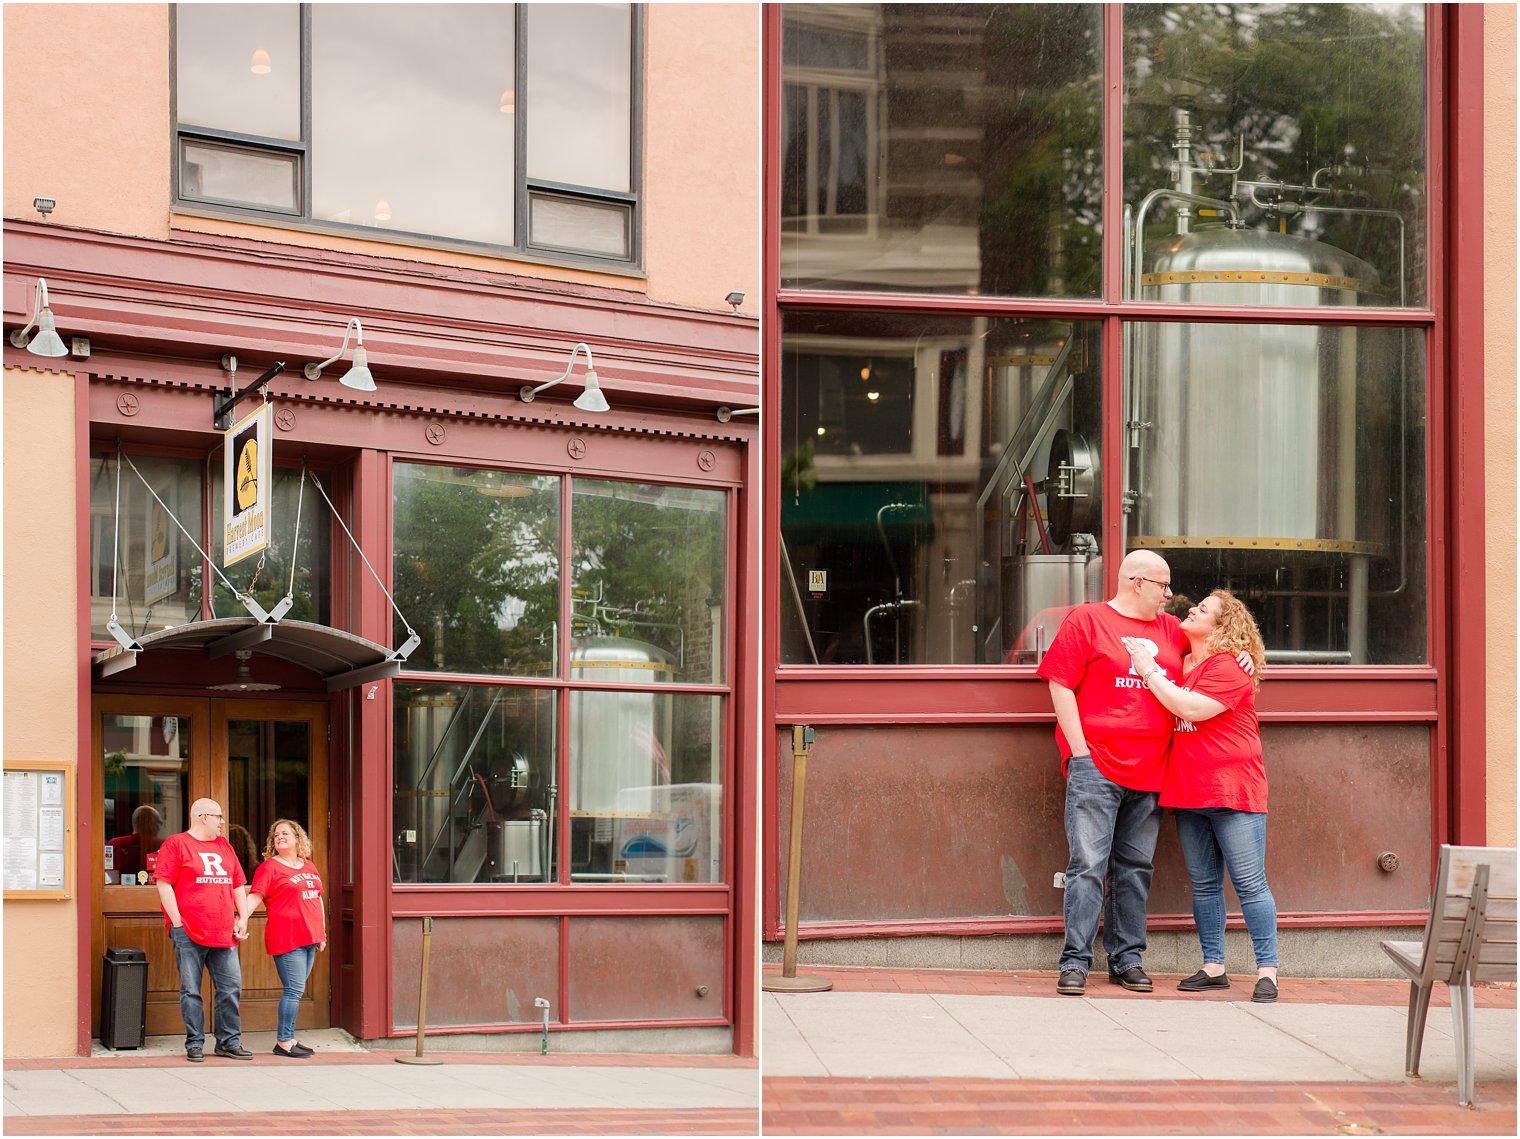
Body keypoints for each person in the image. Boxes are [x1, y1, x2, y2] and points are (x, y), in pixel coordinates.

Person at [1036, 549, 1189, 996]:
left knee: (1135, 868)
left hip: (1151, 770)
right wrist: (1080, 752)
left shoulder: (1172, 630)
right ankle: (1076, 962)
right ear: (1137, 583)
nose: (1170, 594)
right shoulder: (1087, 621)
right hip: (1096, 765)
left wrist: (1241, 660)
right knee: (1087, 866)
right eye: (1163, 586)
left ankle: (1126, 960)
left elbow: (1213, 653)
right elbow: (1059, 683)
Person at [1123, 589, 1279, 1003]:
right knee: (1204, 885)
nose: (1191, 609)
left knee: (1249, 884)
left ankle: (1268, 971)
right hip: (1190, 790)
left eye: (1203, 609)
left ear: (1223, 627)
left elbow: (1189, 709)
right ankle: (1213, 966)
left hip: (1233, 790)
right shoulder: (1181, 657)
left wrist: (1147, 670)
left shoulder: (1228, 666)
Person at [153, 798, 252, 1061]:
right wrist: (176, 922)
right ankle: (194, 1043)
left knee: (231, 988)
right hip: (189, 930)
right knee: (191, 990)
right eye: (218, 817)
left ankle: (228, 1042)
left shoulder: (225, 846)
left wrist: (242, 917)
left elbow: (237, 884)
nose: (222, 822)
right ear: (202, 817)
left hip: (223, 931)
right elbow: (163, 884)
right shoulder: (176, 844)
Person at [243, 819, 327, 1058]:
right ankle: (284, 1042)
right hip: (286, 938)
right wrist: (241, 919)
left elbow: (317, 899)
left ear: (298, 839)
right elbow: (255, 896)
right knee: (294, 990)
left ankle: (290, 1037)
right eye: (276, 835)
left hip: (310, 937)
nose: (279, 837)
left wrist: (322, 932)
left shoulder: (308, 866)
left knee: (296, 990)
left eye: (285, 833)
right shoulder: (269, 868)